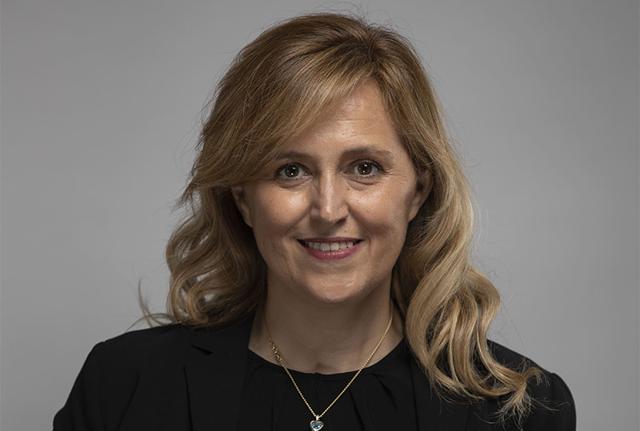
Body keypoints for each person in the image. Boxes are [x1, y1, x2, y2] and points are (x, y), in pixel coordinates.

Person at [52, 12, 576, 431]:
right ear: (242, 198)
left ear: (418, 190)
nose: (328, 209)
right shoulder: (121, 385)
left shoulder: (522, 411)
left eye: (364, 168)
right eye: (291, 170)